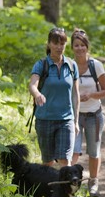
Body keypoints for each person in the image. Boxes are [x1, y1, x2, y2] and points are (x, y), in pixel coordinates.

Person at [28, 27, 80, 167]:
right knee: (48, 162)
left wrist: (76, 121)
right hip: (45, 120)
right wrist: (37, 94)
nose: (59, 47)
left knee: (65, 161)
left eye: (62, 43)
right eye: (55, 43)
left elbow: (75, 95)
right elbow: (32, 85)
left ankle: (65, 189)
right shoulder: (41, 65)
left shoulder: (71, 65)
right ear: (49, 44)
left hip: (66, 120)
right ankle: (48, 189)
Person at [70, 28, 105, 197]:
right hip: (75, 116)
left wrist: (91, 95)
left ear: (87, 46)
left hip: (94, 115)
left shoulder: (96, 66)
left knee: (94, 152)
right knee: (74, 151)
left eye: (82, 45)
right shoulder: (69, 65)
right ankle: (71, 183)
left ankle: (93, 182)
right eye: (76, 45)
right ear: (71, 47)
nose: (80, 48)